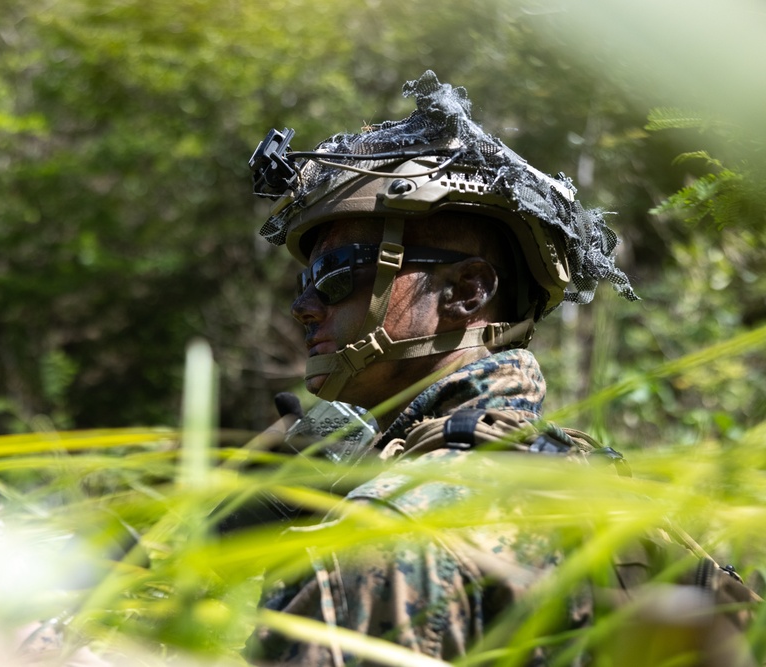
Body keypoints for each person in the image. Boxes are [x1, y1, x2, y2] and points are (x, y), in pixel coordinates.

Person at [242, 71, 754, 665]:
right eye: (306, 280)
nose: (304, 305)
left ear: (465, 292)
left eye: (336, 274)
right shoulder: (612, 496)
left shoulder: (393, 533)